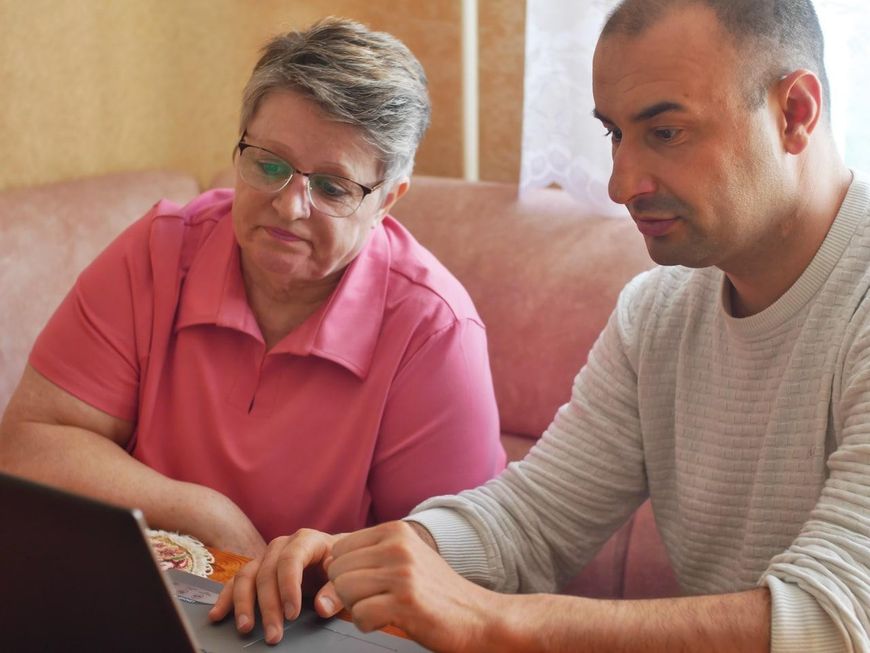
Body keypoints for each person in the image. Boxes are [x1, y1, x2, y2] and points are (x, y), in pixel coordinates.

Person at [211, 0, 870, 650]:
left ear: (795, 113)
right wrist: (366, 558)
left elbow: (834, 620)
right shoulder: (659, 312)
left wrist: (491, 620)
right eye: (615, 135)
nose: (622, 184)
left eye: (666, 132)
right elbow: (531, 522)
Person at [0, 18, 505, 559]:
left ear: (387, 201)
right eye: (269, 164)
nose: (289, 206)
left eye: (332, 187)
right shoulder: (158, 252)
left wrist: (293, 576)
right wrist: (204, 514)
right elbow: (29, 447)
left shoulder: (433, 329)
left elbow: (456, 559)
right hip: (143, 586)